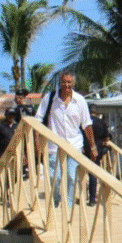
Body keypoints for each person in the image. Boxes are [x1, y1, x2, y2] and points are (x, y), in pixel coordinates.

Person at [35, 72, 97, 208]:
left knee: (71, 176)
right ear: (60, 83)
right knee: (53, 178)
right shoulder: (50, 98)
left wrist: (92, 146)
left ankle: (68, 207)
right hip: (53, 145)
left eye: (69, 82)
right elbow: (38, 120)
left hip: (74, 145)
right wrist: (37, 143)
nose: (66, 85)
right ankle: (55, 202)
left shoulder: (80, 100)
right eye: (64, 82)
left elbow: (86, 124)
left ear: (73, 83)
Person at [84, 104, 111, 206]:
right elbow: (106, 138)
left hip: (83, 149)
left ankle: (82, 197)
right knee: (93, 175)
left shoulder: (84, 122)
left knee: (81, 174)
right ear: (96, 111)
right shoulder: (101, 122)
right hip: (96, 150)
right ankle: (92, 199)